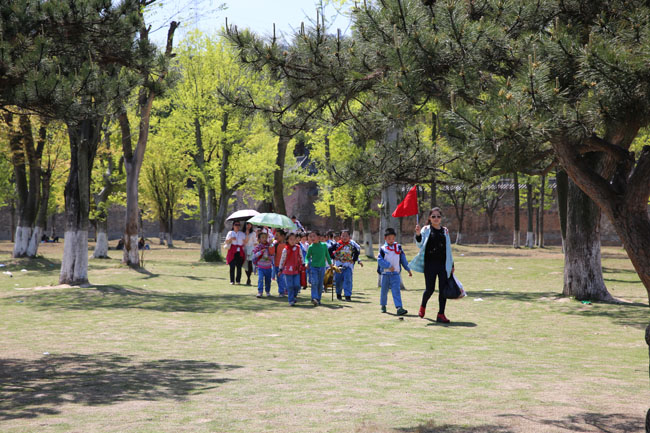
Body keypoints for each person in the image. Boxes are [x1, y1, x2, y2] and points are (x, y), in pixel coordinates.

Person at [410, 207, 454, 323]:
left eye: (438, 216)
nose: (436, 218)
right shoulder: (425, 229)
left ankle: (441, 314)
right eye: (433, 216)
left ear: (441, 218)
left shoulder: (445, 231)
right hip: (429, 265)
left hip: (443, 265)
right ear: (429, 218)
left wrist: (452, 264)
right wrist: (418, 234)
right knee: (430, 289)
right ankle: (423, 306)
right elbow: (420, 245)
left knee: (443, 290)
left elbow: (448, 249)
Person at [377, 227, 411, 315]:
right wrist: (388, 266)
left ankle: (399, 307)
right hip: (385, 274)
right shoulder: (383, 249)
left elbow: (403, 259)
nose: (391, 240)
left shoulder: (398, 247)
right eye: (389, 238)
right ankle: (383, 305)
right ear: (385, 238)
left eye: (392, 238)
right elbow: (380, 260)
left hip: (395, 274)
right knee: (384, 291)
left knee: (396, 291)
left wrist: (408, 269)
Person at [328, 229, 363, 301]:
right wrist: (334, 257)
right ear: (340, 236)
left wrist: (353, 260)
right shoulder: (337, 244)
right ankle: (338, 294)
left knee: (348, 280)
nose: (344, 237)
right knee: (338, 280)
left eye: (346, 236)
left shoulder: (352, 245)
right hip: (338, 265)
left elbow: (357, 253)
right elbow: (329, 250)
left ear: (349, 237)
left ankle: (348, 295)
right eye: (343, 236)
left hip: (348, 265)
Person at [305, 230, 332, 306]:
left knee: (320, 284)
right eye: (311, 236)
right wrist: (306, 263)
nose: (312, 238)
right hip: (313, 268)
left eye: (314, 236)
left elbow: (327, 255)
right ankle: (314, 298)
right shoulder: (311, 247)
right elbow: (307, 257)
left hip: (322, 268)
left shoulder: (324, 246)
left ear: (319, 237)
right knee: (314, 282)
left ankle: (318, 299)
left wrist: (330, 264)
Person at [278, 232, 303, 306]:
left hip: (296, 269)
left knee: (297, 285)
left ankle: (294, 295)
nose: (292, 241)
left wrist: (303, 263)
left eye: (294, 239)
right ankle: (291, 300)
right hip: (287, 270)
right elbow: (282, 259)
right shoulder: (285, 249)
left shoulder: (298, 248)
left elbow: (301, 256)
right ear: (287, 240)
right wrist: (280, 268)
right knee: (290, 286)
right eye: (290, 239)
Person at [252, 231, 273, 297]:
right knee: (260, 279)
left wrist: (270, 258)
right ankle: (260, 291)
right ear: (259, 239)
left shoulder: (269, 246)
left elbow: (272, 255)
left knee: (268, 280)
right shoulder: (258, 247)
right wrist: (261, 252)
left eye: (265, 237)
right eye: (262, 237)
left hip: (268, 267)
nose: (264, 239)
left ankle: (267, 291)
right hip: (260, 267)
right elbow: (255, 256)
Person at [270, 230, 287, 296]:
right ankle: (283, 290)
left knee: (282, 278)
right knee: (279, 279)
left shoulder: (286, 245)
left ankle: (282, 291)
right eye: (275, 235)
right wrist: (271, 244)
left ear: (282, 236)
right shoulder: (275, 244)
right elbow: (271, 252)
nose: (275, 236)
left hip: (284, 265)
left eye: (277, 235)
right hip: (277, 264)